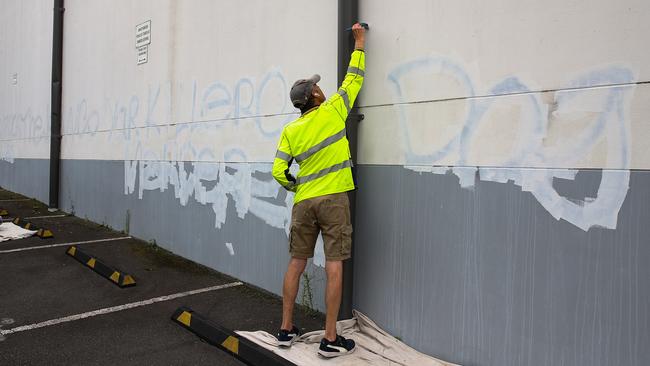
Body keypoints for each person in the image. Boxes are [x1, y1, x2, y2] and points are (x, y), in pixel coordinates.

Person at [271, 22, 366, 358]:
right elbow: (353, 79)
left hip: (303, 202)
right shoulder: (333, 110)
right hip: (333, 200)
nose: (321, 89)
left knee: (296, 263)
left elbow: (278, 170)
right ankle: (329, 338)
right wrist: (360, 44)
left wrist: (297, 185)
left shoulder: (290, 130)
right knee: (334, 265)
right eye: (316, 87)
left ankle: (285, 329)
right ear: (314, 95)